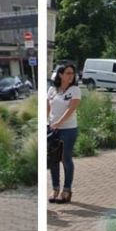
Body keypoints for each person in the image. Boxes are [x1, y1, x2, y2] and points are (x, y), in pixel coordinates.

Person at [47, 64, 81, 204]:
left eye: (72, 73)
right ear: (60, 74)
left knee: (65, 158)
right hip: (52, 129)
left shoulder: (75, 90)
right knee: (53, 159)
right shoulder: (52, 90)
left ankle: (66, 190)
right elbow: (47, 108)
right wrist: (47, 123)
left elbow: (71, 109)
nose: (71, 75)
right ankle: (55, 188)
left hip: (68, 129)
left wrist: (59, 123)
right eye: (67, 73)